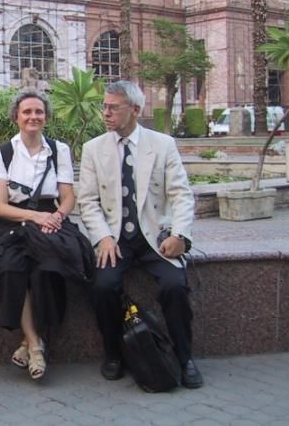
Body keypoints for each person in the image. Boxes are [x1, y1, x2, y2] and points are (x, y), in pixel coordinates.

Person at [77, 80, 203, 389]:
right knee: (104, 286)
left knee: (175, 286)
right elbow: (88, 201)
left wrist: (180, 235)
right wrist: (103, 237)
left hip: (155, 237)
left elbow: (181, 195)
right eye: (104, 106)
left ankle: (184, 358)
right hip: (115, 238)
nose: (105, 112)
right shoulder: (94, 149)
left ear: (134, 110)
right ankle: (113, 354)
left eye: (112, 107)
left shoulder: (162, 145)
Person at [0, 89, 92, 380]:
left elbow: (68, 197)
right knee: (11, 267)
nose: (33, 117)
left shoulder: (59, 150)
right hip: (14, 222)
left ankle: (30, 343)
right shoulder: (4, 153)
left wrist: (55, 217)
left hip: (49, 220)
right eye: (27, 112)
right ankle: (35, 345)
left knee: (48, 268)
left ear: (46, 116)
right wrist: (35, 216)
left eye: (39, 112)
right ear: (16, 117)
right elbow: (0, 207)